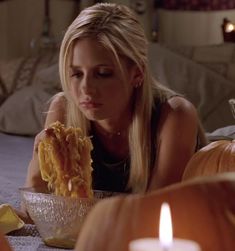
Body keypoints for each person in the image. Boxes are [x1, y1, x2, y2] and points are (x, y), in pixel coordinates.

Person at [24, 2, 207, 195]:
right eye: (77, 74)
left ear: (137, 73)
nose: (86, 88)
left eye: (103, 73)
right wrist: (38, 158)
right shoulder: (63, 109)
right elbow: (33, 209)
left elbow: (158, 210)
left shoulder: (176, 115)